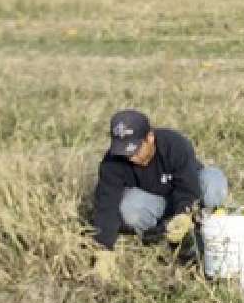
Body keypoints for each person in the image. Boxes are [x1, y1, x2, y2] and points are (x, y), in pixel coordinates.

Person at [90, 109, 228, 281]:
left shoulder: (174, 144)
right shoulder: (112, 162)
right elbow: (106, 206)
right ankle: (161, 238)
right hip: (156, 206)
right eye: (125, 152)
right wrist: (103, 248)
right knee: (128, 207)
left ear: (150, 138)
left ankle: (207, 232)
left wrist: (183, 214)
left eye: (135, 150)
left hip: (189, 197)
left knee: (212, 181)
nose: (131, 158)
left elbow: (188, 187)